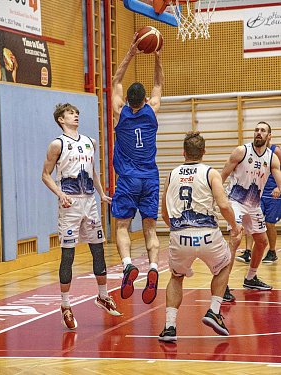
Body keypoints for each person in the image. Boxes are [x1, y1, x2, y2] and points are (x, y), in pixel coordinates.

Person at [42, 103, 121, 330]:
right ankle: (65, 305)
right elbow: (45, 174)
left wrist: (102, 193)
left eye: (77, 113)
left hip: (90, 203)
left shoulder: (90, 142)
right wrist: (59, 193)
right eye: (70, 113)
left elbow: (93, 171)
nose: (75, 116)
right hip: (70, 205)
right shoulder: (58, 144)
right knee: (68, 256)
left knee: (98, 249)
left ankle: (103, 296)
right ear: (60, 119)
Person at [158, 131, 242, 342]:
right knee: (223, 265)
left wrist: (176, 229)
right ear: (204, 151)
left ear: (183, 152)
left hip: (180, 235)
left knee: (176, 277)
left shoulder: (173, 173)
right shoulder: (211, 173)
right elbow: (223, 205)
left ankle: (169, 327)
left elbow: (164, 213)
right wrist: (234, 227)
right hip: (207, 234)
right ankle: (214, 310)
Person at [111, 33, 164, 304]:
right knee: (150, 227)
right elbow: (158, 84)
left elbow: (116, 81)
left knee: (121, 224)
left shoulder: (120, 113)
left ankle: (128, 264)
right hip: (150, 177)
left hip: (128, 178)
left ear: (128, 101)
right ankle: (154, 267)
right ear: (144, 100)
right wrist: (156, 56)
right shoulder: (152, 110)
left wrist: (131, 52)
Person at [222, 121, 281, 301]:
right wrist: (215, 198)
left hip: (253, 204)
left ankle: (250, 278)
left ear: (269, 136)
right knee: (236, 238)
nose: (258, 133)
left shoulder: (272, 157)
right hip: (235, 201)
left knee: (262, 242)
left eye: (263, 131)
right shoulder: (241, 151)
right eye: (256, 130)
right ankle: (222, 285)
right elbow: (222, 174)